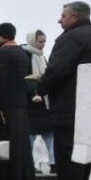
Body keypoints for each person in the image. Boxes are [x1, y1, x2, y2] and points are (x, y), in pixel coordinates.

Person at [35, 1, 91, 180]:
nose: (60, 20)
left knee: (68, 156)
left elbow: (57, 70)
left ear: (75, 18)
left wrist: (40, 88)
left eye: (63, 16)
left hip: (70, 108)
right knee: (90, 157)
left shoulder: (71, 38)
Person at [0, 23, 35, 180]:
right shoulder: (22, 52)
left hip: (6, 105)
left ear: (0, 35)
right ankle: (25, 176)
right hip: (20, 103)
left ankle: (10, 178)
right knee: (21, 142)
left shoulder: (3, 53)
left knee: (8, 142)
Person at [23, 30, 54, 172]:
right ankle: (30, 164)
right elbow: (24, 78)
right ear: (32, 41)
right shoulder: (25, 55)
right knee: (30, 137)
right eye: (40, 41)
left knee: (49, 135)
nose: (43, 45)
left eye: (44, 41)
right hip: (30, 102)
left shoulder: (42, 57)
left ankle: (54, 162)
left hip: (43, 102)